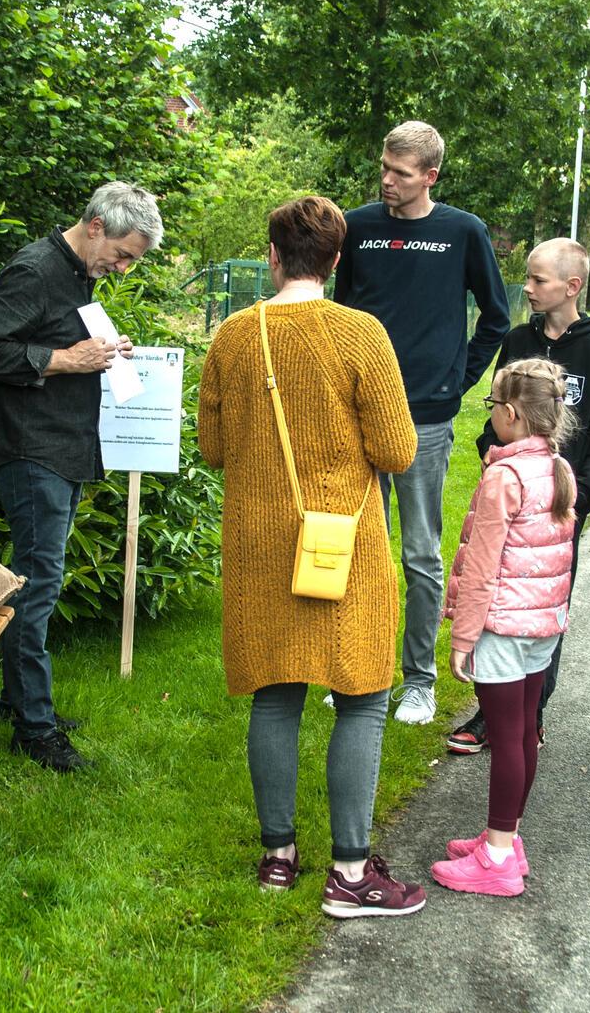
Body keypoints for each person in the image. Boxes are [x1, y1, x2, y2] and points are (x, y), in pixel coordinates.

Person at [197, 196, 426, 918]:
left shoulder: (234, 336)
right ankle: (352, 873)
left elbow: (214, 448)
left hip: (261, 542)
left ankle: (278, 857)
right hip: (342, 543)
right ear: (335, 259)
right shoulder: (361, 334)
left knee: (275, 689)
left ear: (271, 255)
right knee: (361, 696)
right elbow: (397, 450)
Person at [0, 181, 161, 773]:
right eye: (123, 254)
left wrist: (101, 351)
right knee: (38, 581)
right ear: (95, 224)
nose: (123, 269)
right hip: (33, 451)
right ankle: (35, 728)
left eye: (133, 261)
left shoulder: (79, 276)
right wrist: (65, 360)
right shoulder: (33, 270)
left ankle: (15, 699)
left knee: (37, 576)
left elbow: (55, 341)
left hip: (64, 447)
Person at [334, 121, 511, 726]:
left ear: (430, 176)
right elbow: (342, 315)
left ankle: (419, 682)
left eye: (400, 173)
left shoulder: (462, 231)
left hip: (426, 418)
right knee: (360, 548)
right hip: (357, 414)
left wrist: (456, 381)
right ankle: (361, 671)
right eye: (384, 167)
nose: (387, 180)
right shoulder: (358, 227)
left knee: (419, 555)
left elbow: (496, 316)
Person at [447, 239, 590, 755]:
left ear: (572, 286)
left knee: (543, 608)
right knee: (495, 603)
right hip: (507, 499)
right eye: (527, 277)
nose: (527, 287)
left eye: (538, 280)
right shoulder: (519, 339)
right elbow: (496, 414)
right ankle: (490, 712)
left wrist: (575, 499)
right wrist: (486, 448)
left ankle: (531, 715)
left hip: (558, 508)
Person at [431, 358, 578, 897]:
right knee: (522, 730)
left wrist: (464, 637)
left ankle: (496, 856)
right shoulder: (558, 468)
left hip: (502, 628)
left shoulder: (503, 477)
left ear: (511, 414)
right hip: (542, 626)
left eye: (492, 406)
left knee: (506, 738)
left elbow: (482, 565)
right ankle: (506, 836)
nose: (490, 414)